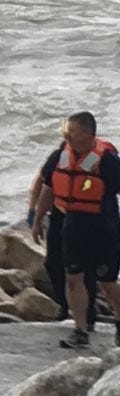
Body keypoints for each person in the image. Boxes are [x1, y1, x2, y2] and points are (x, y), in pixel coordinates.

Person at [30, 112, 120, 349]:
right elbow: (48, 188)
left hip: (104, 227)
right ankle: (80, 331)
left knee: (107, 282)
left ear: (88, 134)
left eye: (72, 132)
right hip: (73, 225)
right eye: (66, 131)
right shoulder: (60, 156)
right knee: (72, 278)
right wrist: (38, 218)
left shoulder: (107, 161)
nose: (67, 135)